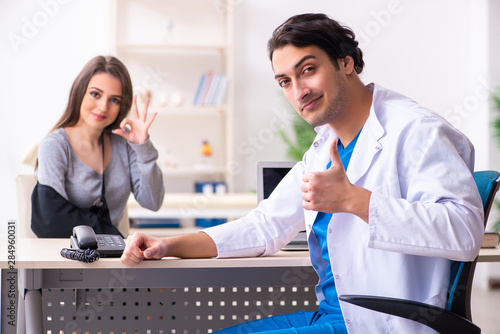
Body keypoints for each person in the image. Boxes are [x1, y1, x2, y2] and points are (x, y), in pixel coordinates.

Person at [120, 13, 484, 333]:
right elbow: (265, 226)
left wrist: (355, 201)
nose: (298, 92)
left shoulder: (416, 130)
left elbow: (466, 231)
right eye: (285, 81)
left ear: (346, 63)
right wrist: (168, 245)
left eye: (308, 70)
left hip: (381, 323)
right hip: (334, 315)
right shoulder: (323, 148)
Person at [33, 55, 164, 238]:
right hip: (67, 257)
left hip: (113, 259)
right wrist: (114, 237)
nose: (103, 107)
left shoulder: (123, 145)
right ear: (80, 92)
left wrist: (143, 147)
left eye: (114, 100)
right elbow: (52, 218)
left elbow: (153, 202)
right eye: (95, 94)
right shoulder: (55, 146)